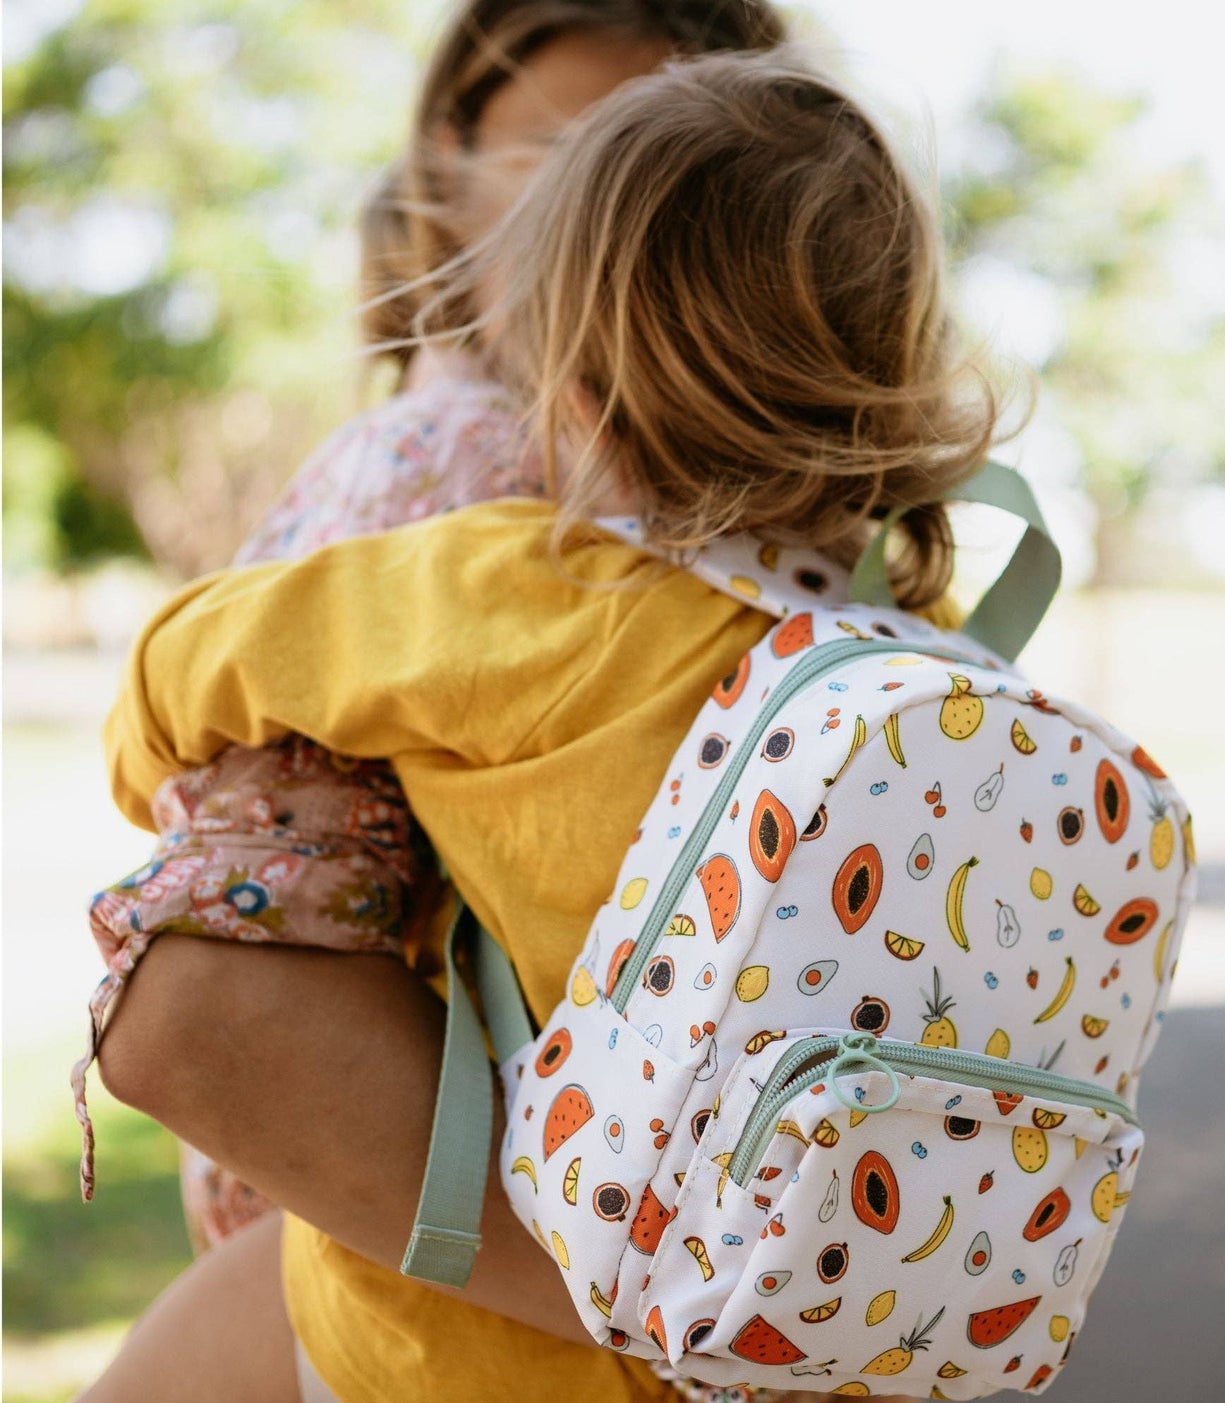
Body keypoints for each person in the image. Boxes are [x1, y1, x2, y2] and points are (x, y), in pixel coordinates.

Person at [62, 50, 1005, 1403]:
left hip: (453, 1346)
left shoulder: (514, 587)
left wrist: (150, 748)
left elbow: (183, 674)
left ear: (570, 381)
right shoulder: (926, 648)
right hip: (769, 1358)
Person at [72, 0, 786, 1252]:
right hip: (473, 1219)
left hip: (543, 1229)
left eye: (671, 177)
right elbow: (236, 975)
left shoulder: (711, 511)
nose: (608, 229)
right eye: (564, 163)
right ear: (440, 187)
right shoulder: (453, 459)